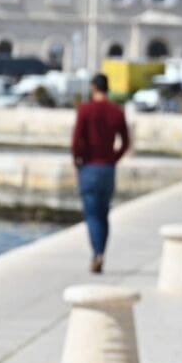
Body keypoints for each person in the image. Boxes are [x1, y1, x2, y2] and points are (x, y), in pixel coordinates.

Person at [70, 73, 130, 274]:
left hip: (89, 167)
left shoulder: (85, 110)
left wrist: (77, 161)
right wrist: (114, 158)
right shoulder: (116, 111)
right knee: (104, 214)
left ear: (93, 87)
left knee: (92, 215)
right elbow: (126, 142)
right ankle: (101, 252)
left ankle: (97, 254)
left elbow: (76, 141)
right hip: (108, 169)